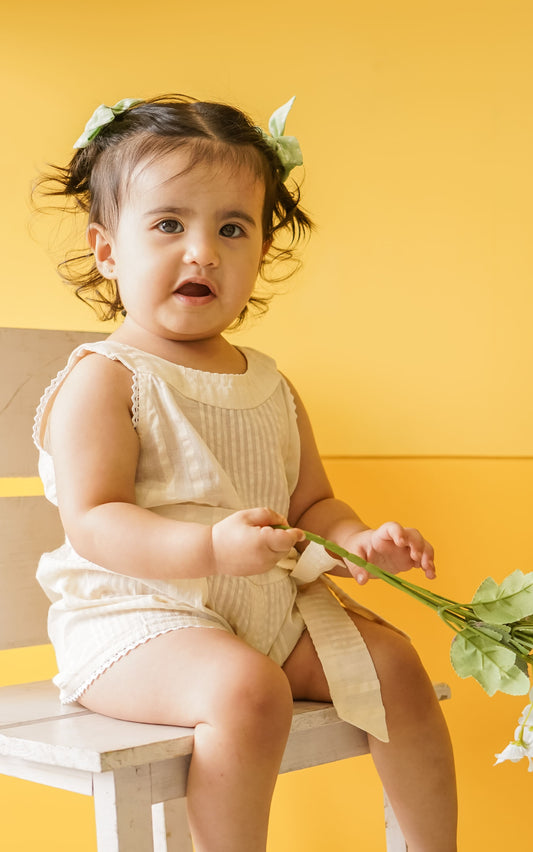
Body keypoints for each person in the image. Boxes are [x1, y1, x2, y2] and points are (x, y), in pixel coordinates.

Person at [33, 94, 457, 852]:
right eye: (168, 224)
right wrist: (207, 552)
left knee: (392, 662)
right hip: (137, 621)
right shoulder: (106, 378)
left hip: (259, 611)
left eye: (232, 228)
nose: (202, 251)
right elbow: (94, 521)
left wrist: (360, 542)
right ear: (106, 250)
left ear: (260, 251)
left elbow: (313, 503)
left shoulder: (269, 383)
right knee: (244, 689)